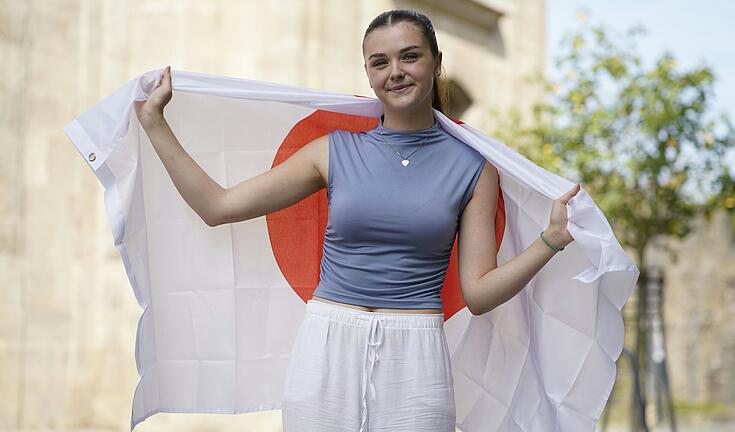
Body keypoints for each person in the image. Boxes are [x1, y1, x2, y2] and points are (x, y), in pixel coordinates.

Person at [133, 8, 580, 432]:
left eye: (410, 56)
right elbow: (218, 206)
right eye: (379, 62)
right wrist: (155, 123)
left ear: (436, 62)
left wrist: (551, 239)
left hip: (417, 354)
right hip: (327, 344)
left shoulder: (473, 168)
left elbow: (479, 293)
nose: (395, 72)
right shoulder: (334, 151)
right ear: (368, 74)